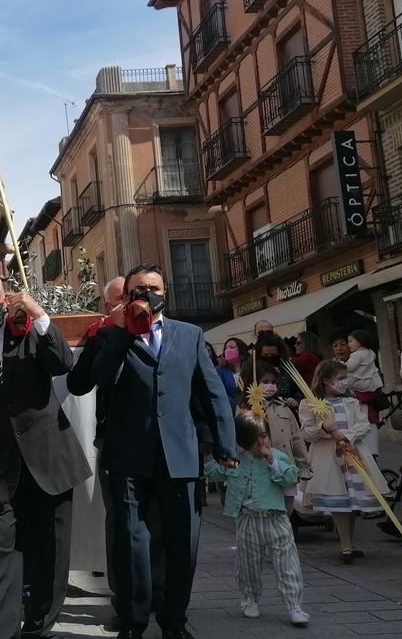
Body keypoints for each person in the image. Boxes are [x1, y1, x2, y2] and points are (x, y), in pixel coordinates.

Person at [74, 264, 237, 639]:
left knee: (183, 546)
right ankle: (133, 622)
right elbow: (92, 380)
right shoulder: (108, 336)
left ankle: (174, 621)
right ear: (127, 295)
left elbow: (212, 393)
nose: (147, 294)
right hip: (128, 459)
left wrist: (225, 445)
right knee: (131, 544)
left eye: (154, 287)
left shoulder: (190, 334)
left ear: (166, 291)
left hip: (179, 459)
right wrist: (118, 332)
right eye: (139, 289)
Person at [0, 272, 89, 639]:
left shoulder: (29, 332)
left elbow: (64, 364)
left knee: (51, 554)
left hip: (50, 459)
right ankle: (2, 631)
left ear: (6, 297)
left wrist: (39, 315)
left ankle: (40, 627)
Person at [204, 414, 310, 627]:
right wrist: (210, 452)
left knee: (287, 563)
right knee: (248, 565)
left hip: (276, 518)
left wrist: (271, 460)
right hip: (247, 519)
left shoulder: (277, 457)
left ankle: (294, 606)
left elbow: (291, 476)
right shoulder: (236, 460)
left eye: (264, 435)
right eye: (255, 438)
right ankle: (250, 599)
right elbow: (214, 472)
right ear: (242, 441)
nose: (262, 442)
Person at [298, 360, 387, 563]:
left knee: (352, 501)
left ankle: (349, 543)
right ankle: (345, 546)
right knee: (339, 502)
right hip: (329, 458)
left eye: (345, 378)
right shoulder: (310, 404)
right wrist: (325, 428)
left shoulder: (352, 402)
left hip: (352, 454)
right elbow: (307, 432)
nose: (344, 382)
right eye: (340, 378)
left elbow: (363, 424)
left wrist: (348, 437)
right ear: (326, 380)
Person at [240, 361, 311, 512]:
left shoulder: (283, 407)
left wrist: (303, 466)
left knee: (287, 510)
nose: (270, 386)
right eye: (265, 382)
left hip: (285, 466)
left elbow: (297, 438)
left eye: (273, 382)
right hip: (260, 470)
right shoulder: (245, 409)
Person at [344, 329, 383, 457]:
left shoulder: (356, 355)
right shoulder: (371, 353)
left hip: (360, 387)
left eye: (350, 341)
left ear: (360, 341)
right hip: (371, 386)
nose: (348, 344)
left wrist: (338, 365)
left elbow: (349, 367)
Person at [217, 338, 248, 403]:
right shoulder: (220, 371)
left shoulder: (251, 368)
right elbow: (221, 394)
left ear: (241, 350)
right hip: (232, 409)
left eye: (231, 347)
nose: (228, 350)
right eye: (226, 348)